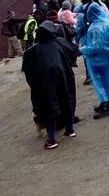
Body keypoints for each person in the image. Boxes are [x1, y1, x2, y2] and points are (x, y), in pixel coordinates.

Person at [22, 20, 78, 149]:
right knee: (66, 102)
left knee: (49, 107)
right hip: (63, 79)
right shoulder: (59, 43)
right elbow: (73, 52)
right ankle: (70, 130)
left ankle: (52, 140)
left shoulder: (34, 51)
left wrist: (34, 84)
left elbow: (27, 69)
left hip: (45, 84)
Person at [79, 2, 109, 118]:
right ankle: (106, 102)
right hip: (107, 58)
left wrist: (81, 50)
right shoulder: (106, 23)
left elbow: (96, 48)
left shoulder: (95, 28)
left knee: (100, 83)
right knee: (105, 81)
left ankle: (106, 105)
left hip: (99, 60)